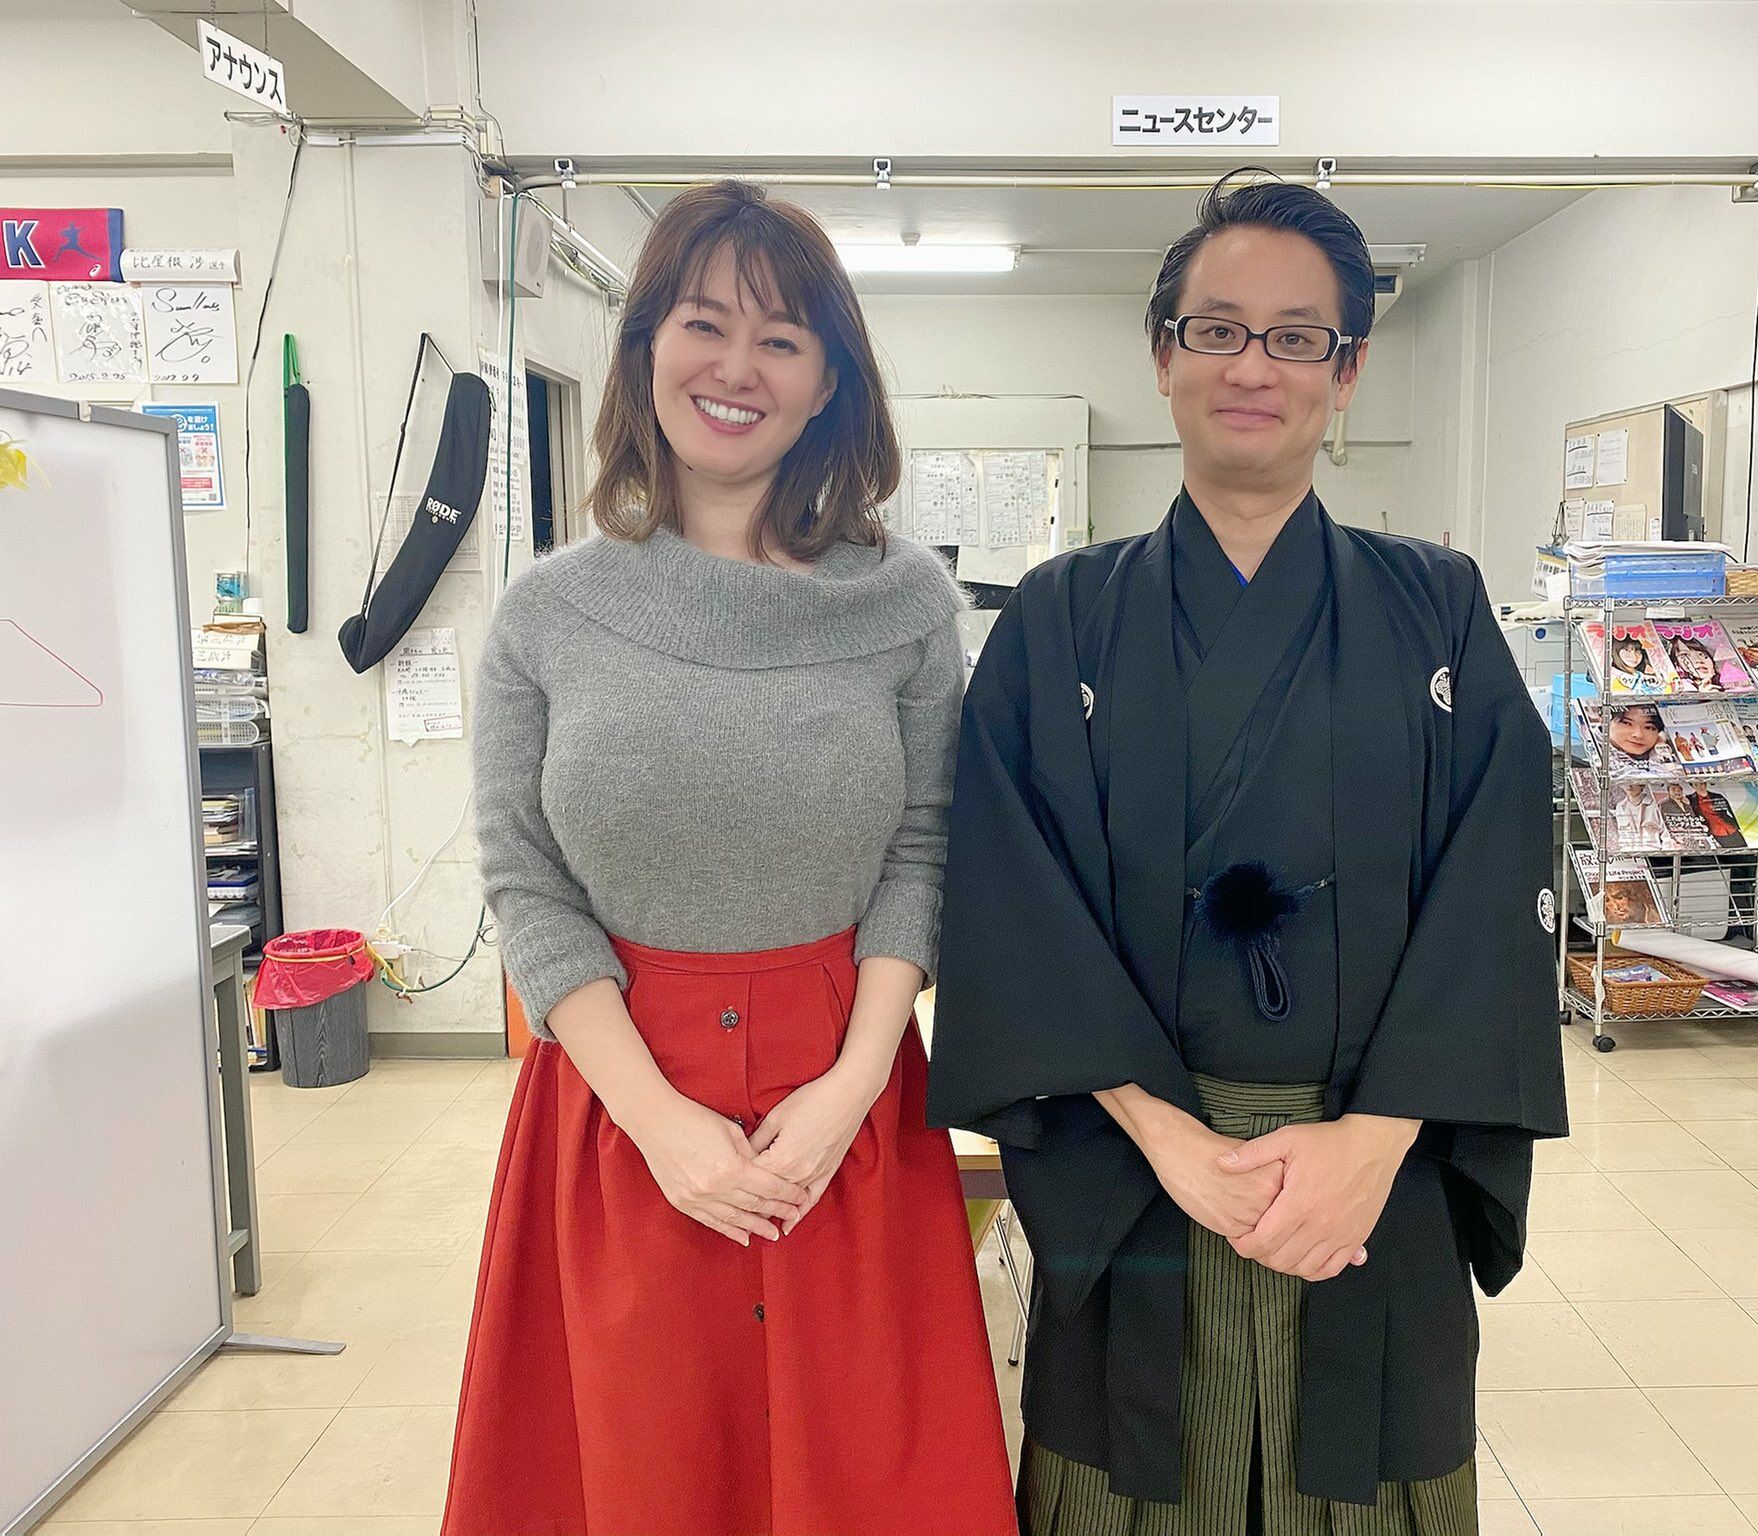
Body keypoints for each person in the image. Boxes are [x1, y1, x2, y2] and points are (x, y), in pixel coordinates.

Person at [927, 168, 1568, 1535]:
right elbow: (1008, 895)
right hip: (1136, 1162)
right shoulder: (1059, 617)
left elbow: (1496, 878)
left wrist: (1375, 1142)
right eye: (1217, 330)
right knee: (1130, 1477)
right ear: (1162, 354)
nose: (1253, 366)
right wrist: (1170, 1143)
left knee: (1374, 1479)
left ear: (1349, 371)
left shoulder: (1438, 606)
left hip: (1377, 1174)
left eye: (1296, 337)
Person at [443, 180, 1016, 1536]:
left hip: (845, 1105)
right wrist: (657, 1121)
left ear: (829, 386)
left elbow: (926, 845)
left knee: (866, 1474)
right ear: (645, 349)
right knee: (637, 1467)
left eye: (782, 339)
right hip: (618, 1109)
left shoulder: (905, 604)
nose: (737, 368)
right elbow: (525, 876)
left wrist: (853, 1086)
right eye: (704, 324)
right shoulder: (548, 612)